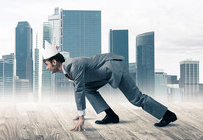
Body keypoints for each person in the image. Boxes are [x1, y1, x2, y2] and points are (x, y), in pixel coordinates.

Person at [42, 41, 177, 132]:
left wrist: (81, 117)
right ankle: (111, 116)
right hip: (103, 73)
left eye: (47, 64)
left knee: (136, 98)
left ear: (54, 62)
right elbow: (81, 87)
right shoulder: (68, 69)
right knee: (89, 89)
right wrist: (80, 112)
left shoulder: (72, 65)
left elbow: (79, 90)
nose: (47, 68)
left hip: (113, 67)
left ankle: (167, 115)